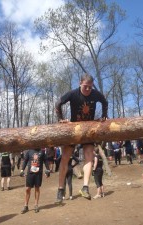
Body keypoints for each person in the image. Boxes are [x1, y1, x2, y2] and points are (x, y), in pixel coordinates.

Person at [54, 73, 108, 203]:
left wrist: (104, 116)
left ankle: (85, 187)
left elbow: (105, 102)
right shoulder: (73, 94)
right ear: (80, 83)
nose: (88, 89)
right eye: (85, 87)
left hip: (88, 128)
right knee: (66, 156)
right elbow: (58, 103)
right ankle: (60, 189)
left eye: (90, 87)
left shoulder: (95, 94)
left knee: (89, 155)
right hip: (73, 128)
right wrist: (60, 119)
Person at [20, 148, 50, 214]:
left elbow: (46, 161)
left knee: (37, 188)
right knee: (27, 189)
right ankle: (26, 206)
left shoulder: (42, 152)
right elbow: (25, 161)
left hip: (38, 173)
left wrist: (48, 170)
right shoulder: (29, 151)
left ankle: (36, 205)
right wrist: (22, 170)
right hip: (30, 173)